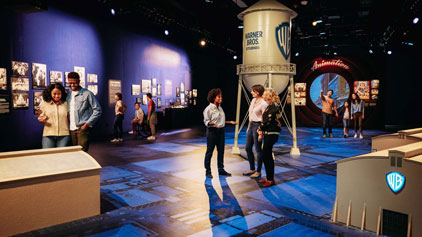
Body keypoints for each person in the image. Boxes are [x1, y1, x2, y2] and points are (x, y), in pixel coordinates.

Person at [203, 88, 237, 178]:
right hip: (212, 132)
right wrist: (213, 124)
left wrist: (230, 122)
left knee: (221, 151)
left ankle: (221, 169)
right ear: (213, 98)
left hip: (221, 132)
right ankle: (208, 171)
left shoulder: (220, 108)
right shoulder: (208, 109)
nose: (221, 99)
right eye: (219, 97)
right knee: (209, 152)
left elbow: (221, 121)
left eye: (221, 97)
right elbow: (206, 121)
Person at [66, 72, 102, 152]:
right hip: (71, 130)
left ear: (79, 81)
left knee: (82, 153)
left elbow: (98, 110)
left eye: (74, 83)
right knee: (75, 154)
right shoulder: (68, 94)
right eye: (70, 83)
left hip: (82, 129)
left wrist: (87, 124)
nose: (72, 85)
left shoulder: (87, 94)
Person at [257, 88, 282, 187]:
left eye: (264, 94)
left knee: (267, 155)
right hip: (268, 132)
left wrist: (260, 128)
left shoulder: (274, 106)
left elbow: (268, 120)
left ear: (269, 96)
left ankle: (270, 179)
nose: (262, 95)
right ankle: (269, 177)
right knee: (265, 155)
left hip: (272, 133)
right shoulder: (269, 106)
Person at [243, 84, 267, 179]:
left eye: (253, 91)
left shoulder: (263, 103)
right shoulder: (253, 100)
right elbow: (250, 114)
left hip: (258, 126)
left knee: (258, 150)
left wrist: (261, 131)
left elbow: (264, 119)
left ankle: (258, 171)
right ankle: (252, 168)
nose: (251, 92)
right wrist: (248, 127)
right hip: (252, 125)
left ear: (257, 92)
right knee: (248, 148)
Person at [38, 83, 70, 148]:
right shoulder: (44, 104)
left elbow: (70, 118)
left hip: (64, 135)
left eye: (59, 94)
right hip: (48, 135)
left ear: (62, 93)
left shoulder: (66, 104)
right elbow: (40, 119)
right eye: (54, 94)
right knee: (47, 156)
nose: (57, 96)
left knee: (62, 156)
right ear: (50, 93)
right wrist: (43, 119)